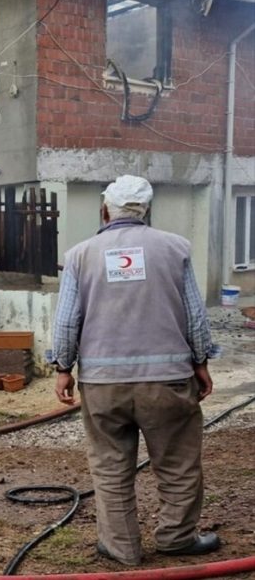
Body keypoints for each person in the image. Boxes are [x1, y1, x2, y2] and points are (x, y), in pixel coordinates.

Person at [50, 174, 218, 566]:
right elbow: (195, 316)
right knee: (178, 464)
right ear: (147, 210)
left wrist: (63, 367)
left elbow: (66, 321)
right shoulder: (176, 249)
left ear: (104, 209)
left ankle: (122, 548)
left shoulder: (80, 255)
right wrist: (201, 362)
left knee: (110, 467)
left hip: (102, 386)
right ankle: (177, 538)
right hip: (169, 382)